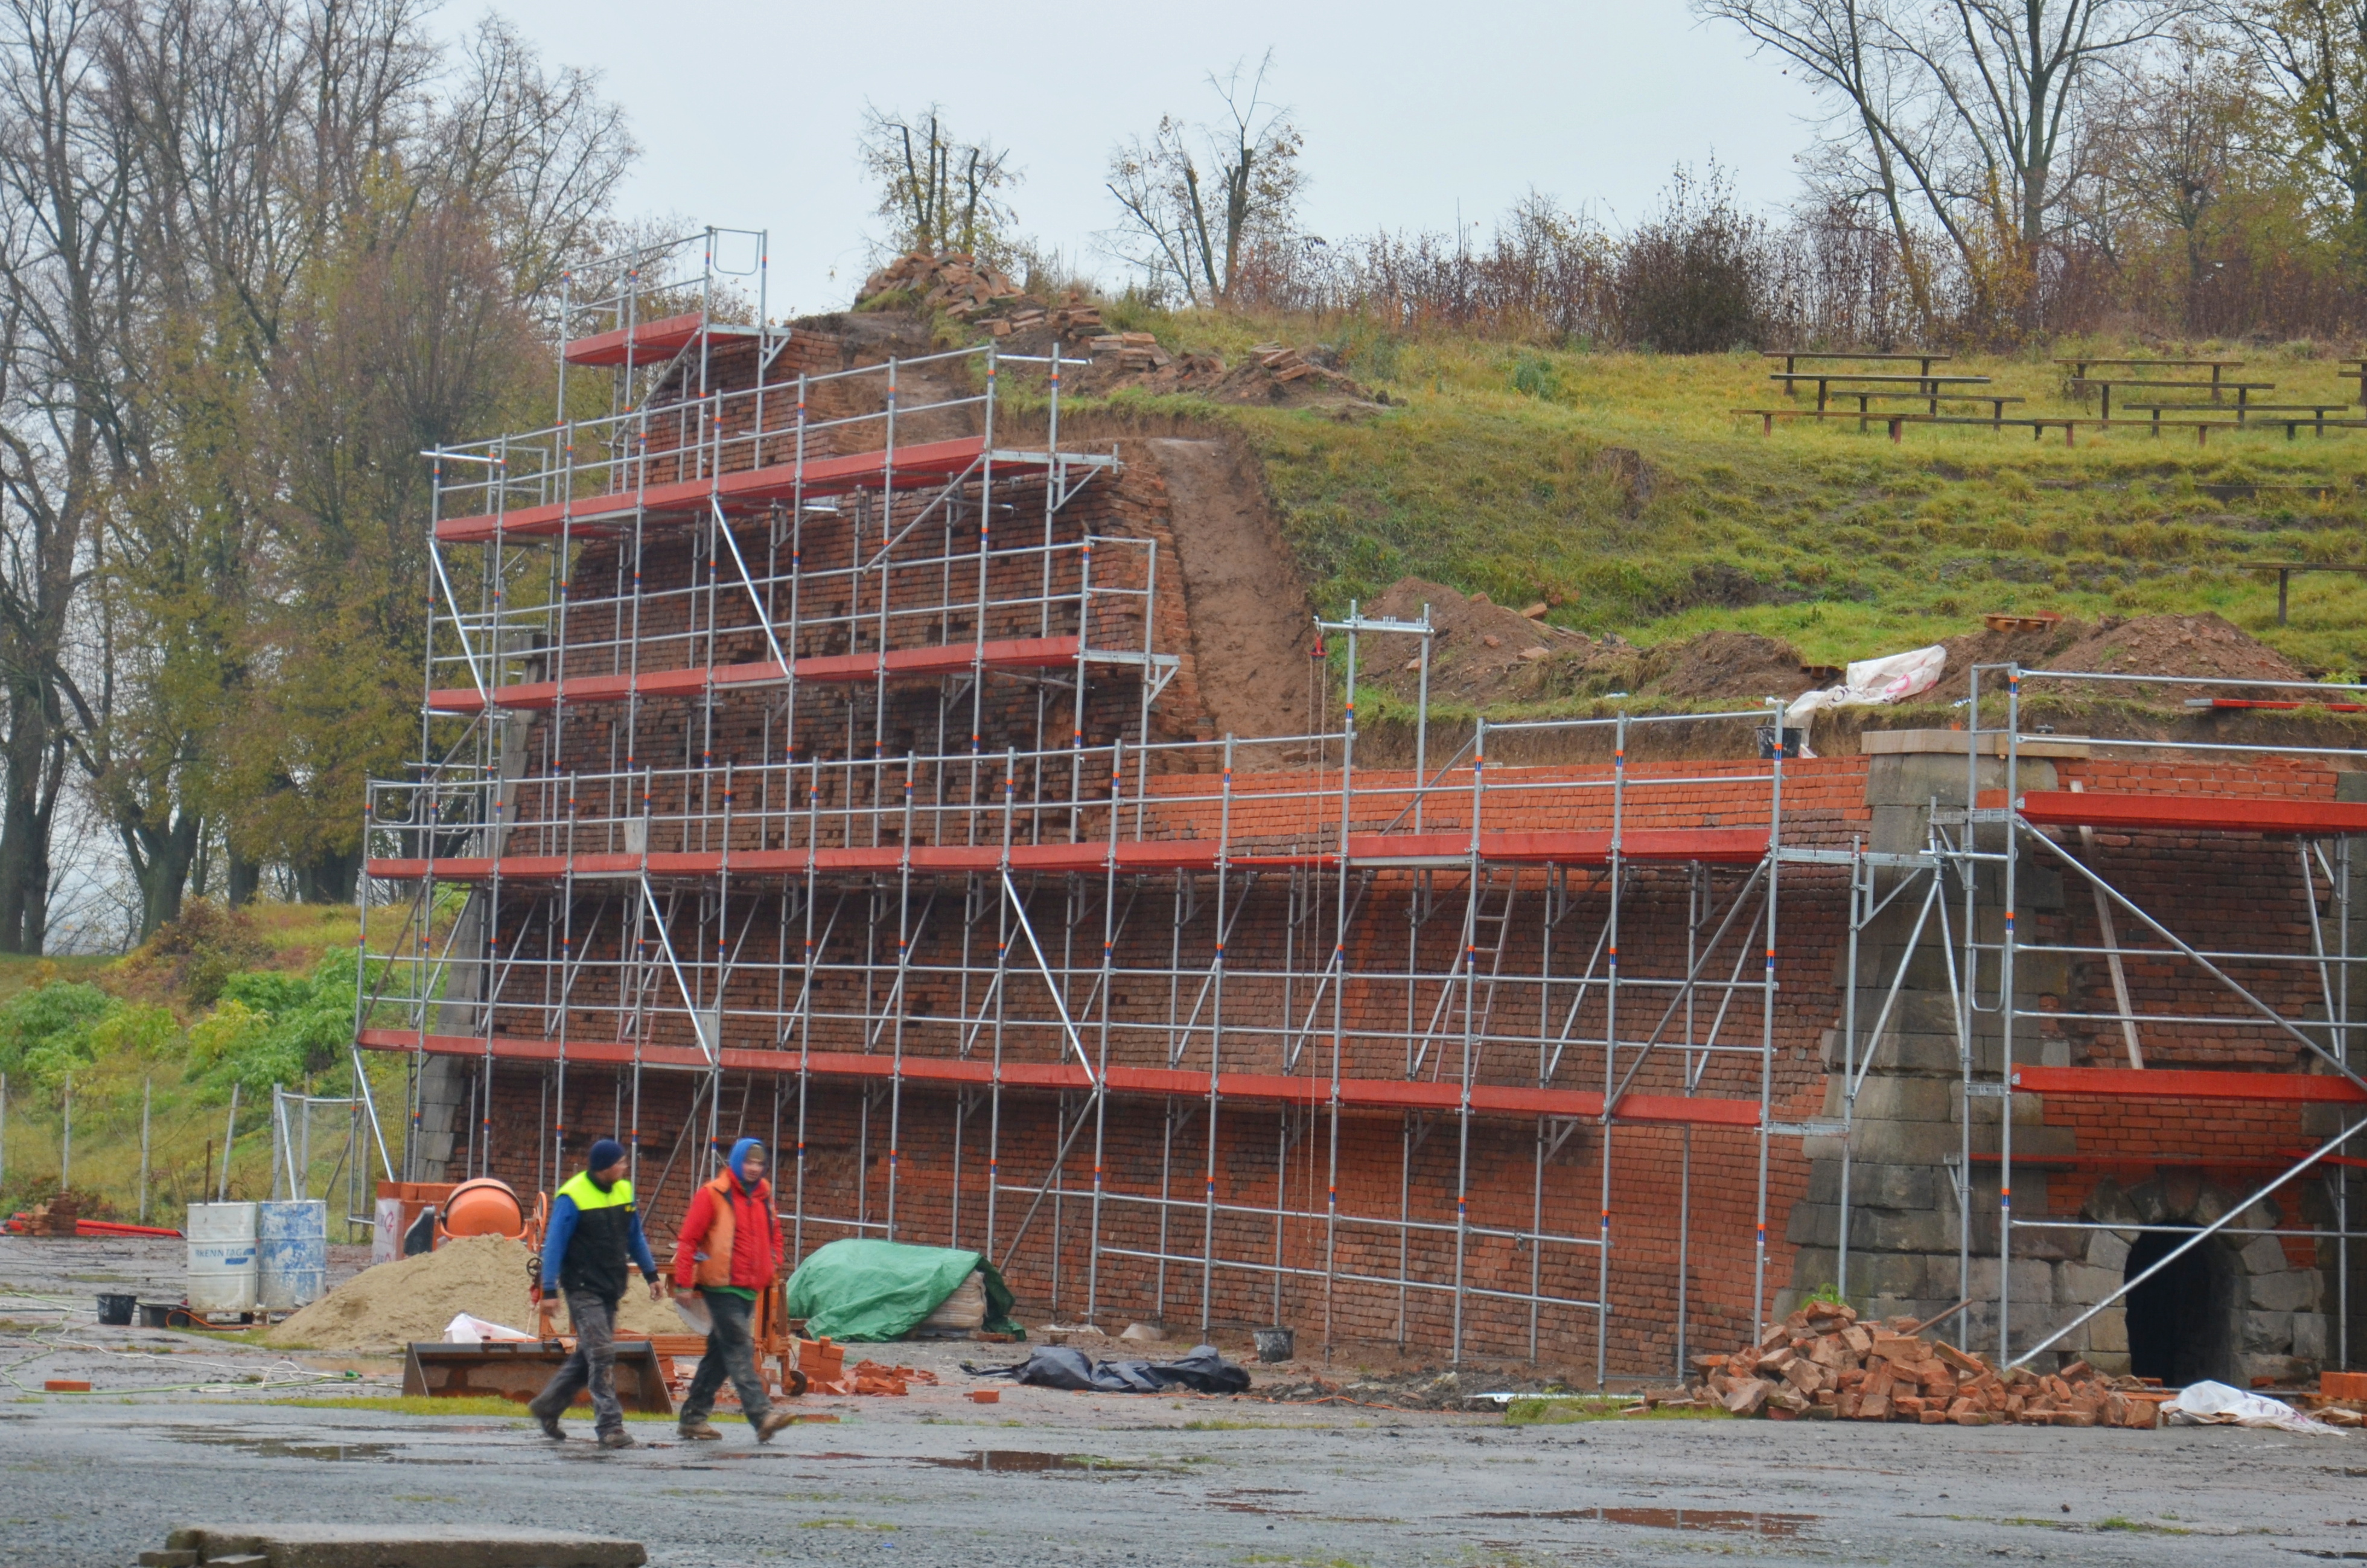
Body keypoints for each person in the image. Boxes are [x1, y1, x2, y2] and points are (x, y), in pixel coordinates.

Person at [527, 1138, 665, 1449]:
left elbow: (635, 1237)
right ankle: (610, 1426)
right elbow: (556, 1244)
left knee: (588, 1355)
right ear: (604, 1167)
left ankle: (547, 1406)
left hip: (610, 1287)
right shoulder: (572, 1196)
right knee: (602, 1353)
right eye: (620, 1162)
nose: (625, 1166)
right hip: (582, 1287)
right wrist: (549, 1290)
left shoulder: (624, 1191)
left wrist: (651, 1274)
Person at [671, 1137, 794, 1442]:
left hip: (749, 1287)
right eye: (748, 1162)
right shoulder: (712, 1195)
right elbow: (688, 1240)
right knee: (740, 1346)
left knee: (720, 1356)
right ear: (736, 1163)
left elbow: (775, 1234)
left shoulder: (764, 1196)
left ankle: (692, 1419)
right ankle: (761, 1415)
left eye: (759, 1163)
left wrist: (773, 1261)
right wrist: (684, 1282)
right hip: (720, 1285)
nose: (754, 1168)